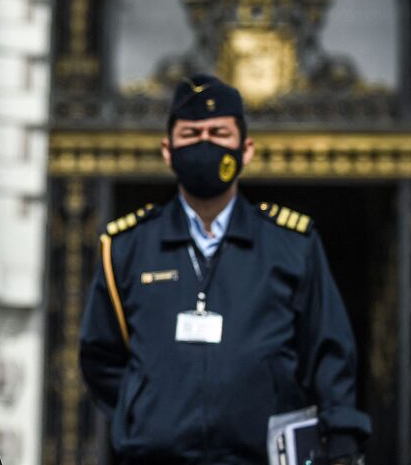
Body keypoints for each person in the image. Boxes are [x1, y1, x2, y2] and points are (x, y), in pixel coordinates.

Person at [79, 75, 371, 465]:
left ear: (245, 149)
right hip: (156, 456)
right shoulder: (126, 246)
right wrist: (148, 410)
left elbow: (329, 350)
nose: (205, 143)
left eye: (218, 132)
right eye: (191, 133)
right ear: (168, 151)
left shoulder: (292, 243)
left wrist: (341, 437)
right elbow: (100, 355)